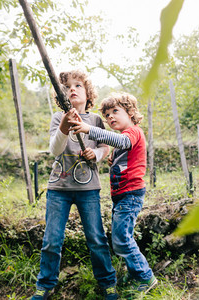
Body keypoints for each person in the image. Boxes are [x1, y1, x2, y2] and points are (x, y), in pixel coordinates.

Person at [32, 70, 118, 300]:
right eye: (67, 87)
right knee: (52, 240)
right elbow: (55, 150)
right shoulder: (57, 118)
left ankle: (108, 283)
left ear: (88, 93)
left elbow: (105, 147)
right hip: (58, 189)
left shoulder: (95, 121)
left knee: (96, 238)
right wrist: (63, 126)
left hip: (88, 188)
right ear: (61, 96)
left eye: (78, 85)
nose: (72, 89)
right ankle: (45, 285)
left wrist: (96, 155)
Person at [68, 92, 158, 295]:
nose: (110, 117)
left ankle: (145, 276)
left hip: (131, 194)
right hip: (121, 196)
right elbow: (122, 152)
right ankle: (136, 272)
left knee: (121, 239)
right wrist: (109, 160)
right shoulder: (121, 142)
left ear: (131, 113)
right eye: (107, 115)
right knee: (120, 238)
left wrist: (89, 129)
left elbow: (121, 142)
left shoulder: (133, 132)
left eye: (115, 111)